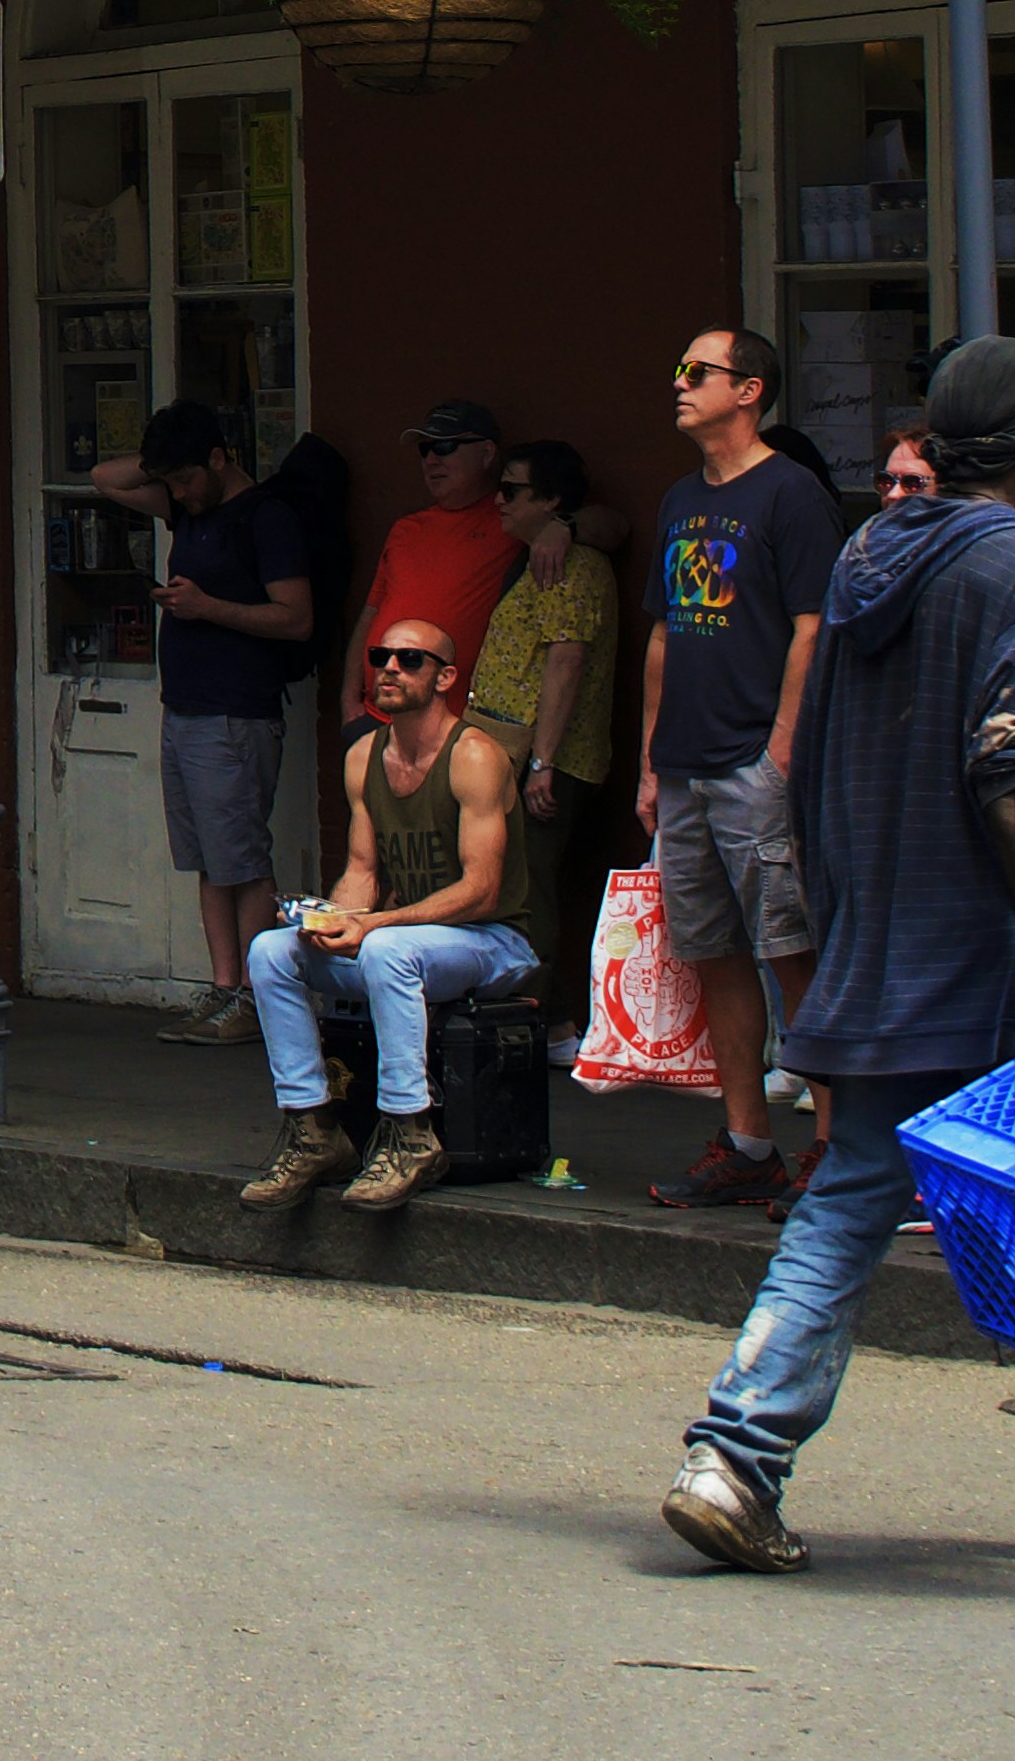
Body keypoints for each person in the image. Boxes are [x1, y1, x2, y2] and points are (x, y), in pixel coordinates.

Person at [664, 335, 1015, 1575]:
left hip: (883, 942)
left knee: (848, 1200)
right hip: (992, 954)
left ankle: (732, 1458)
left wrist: (844, 916)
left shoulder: (878, 549)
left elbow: (813, 759)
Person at [638, 324, 842, 1214]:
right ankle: (750, 1140)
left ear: (750, 389)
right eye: (677, 368)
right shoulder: (682, 497)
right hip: (682, 765)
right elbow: (660, 634)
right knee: (712, 955)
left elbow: (813, 625)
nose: (678, 383)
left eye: (697, 371)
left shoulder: (792, 495)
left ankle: (833, 1146)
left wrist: (784, 742)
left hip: (753, 759)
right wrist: (650, 759)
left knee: (792, 951)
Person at [239, 613, 536, 1214]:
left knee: (386, 949)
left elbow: (481, 891)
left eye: (410, 659)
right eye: (381, 658)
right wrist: (331, 921)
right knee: (271, 951)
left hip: (492, 941)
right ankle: (313, 1129)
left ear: (446, 676)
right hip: (404, 945)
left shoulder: (474, 755)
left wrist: (371, 925)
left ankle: (410, 1134)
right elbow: (363, 870)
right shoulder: (363, 756)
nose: (390, 669)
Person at [89, 402, 312, 1046]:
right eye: (169, 482)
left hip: (235, 711)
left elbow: (296, 617)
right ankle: (222, 989)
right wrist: (163, 460)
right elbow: (107, 477)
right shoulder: (187, 507)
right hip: (183, 708)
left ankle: (258, 994)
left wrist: (206, 606)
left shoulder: (265, 517)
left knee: (241, 856)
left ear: (220, 459)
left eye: (186, 478)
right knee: (209, 861)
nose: (177, 494)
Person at [464, 437, 620, 1036]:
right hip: (510, 748)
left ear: (551, 500)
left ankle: (542, 1023)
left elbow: (567, 661)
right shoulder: (539, 554)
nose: (498, 501)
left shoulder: (569, 564)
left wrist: (543, 764)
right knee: (511, 883)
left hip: (543, 754)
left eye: (511, 490)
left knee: (531, 892)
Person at [341, 397, 621, 701]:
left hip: (456, 727)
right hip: (377, 715)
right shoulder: (405, 528)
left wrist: (564, 526)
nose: (431, 460)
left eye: (445, 447)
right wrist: (349, 699)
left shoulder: (511, 518)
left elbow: (616, 526)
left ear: (487, 453)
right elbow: (372, 612)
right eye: (425, 449)